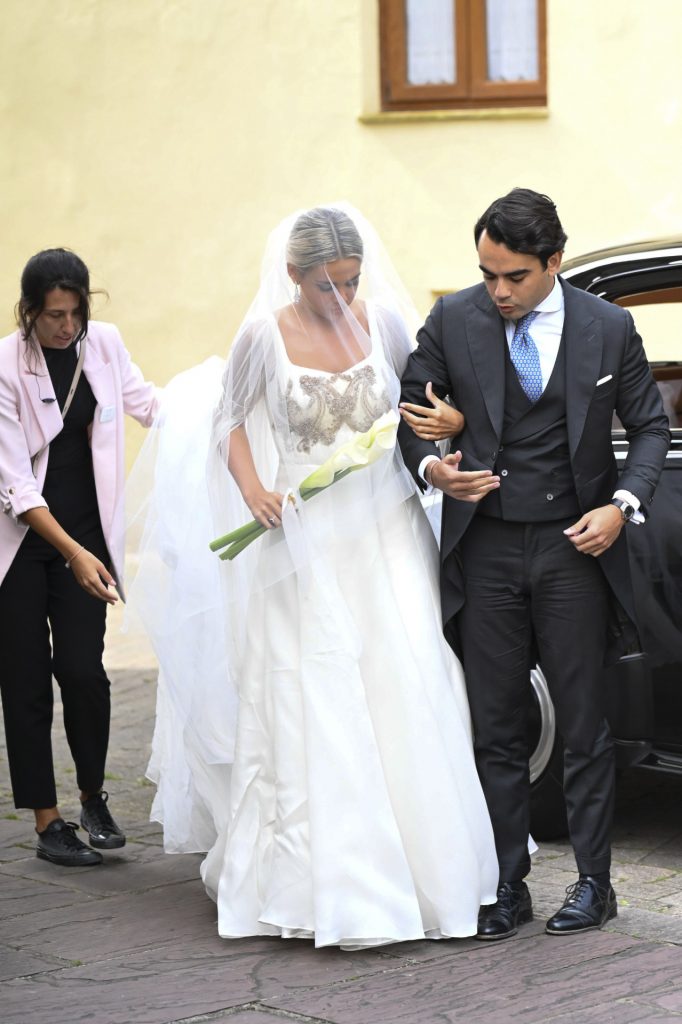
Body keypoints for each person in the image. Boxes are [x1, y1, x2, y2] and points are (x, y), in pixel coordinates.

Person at [128, 205, 499, 948]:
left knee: (407, 680)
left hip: (386, 530)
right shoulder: (262, 336)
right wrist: (256, 489)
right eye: (325, 286)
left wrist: (442, 431)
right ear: (293, 276)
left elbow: (417, 402)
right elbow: (228, 422)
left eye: (350, 283)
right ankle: (323, 883)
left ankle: (430, 875)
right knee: (312, 695)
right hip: (301, 535)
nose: (339, 299)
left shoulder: (386, 322)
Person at [398, 188, 670, 939]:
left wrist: (622, 504)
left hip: (574, 548)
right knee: (495, 724)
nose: (498, 291)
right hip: (484, 548)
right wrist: (434, 470)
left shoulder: (608, 327)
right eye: (487, 273)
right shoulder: (454, 319)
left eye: (513, 276)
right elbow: (409, 414)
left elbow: (649, 427)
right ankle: (504, 885)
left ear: (554, 262)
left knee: (584, 724)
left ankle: (594, 884)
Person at [0, 249, 160, 867]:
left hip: (85, 540)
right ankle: (47, 820)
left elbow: (149, 404)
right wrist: (72, 553)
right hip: (22, 545)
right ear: (29, 313)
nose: (66, 327)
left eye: (75, 314)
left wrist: (224, 413)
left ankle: (94, 797)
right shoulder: (7, 365)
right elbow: (16, 485)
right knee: (26, 681)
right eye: (52, 316)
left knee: (85, 673)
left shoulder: (106, 344)